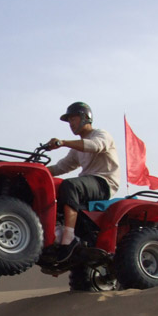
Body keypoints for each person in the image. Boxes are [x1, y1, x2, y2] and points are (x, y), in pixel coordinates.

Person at [45, 102, 120, 261]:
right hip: (87, 183)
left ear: (86, 118)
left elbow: (94, 146)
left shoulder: (101, 135)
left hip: (104, 182)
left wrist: (63, 142)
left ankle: (68, 237)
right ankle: (60, 237)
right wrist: (37, 170)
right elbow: (61, 167)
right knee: (54, 192)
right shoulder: (77, 149)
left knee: (70, 185)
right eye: (69, 120)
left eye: (74, 118)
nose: (71, 124)